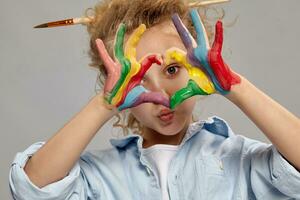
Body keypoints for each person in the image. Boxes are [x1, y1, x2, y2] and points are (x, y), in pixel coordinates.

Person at [9, 0, 300, 199]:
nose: (161, 96)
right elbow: (32, 188)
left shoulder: (237, 160)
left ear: (198, 67)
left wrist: (235, 86)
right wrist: (104, 104)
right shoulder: (101, 175)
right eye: (138, 79)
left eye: (172, 70)